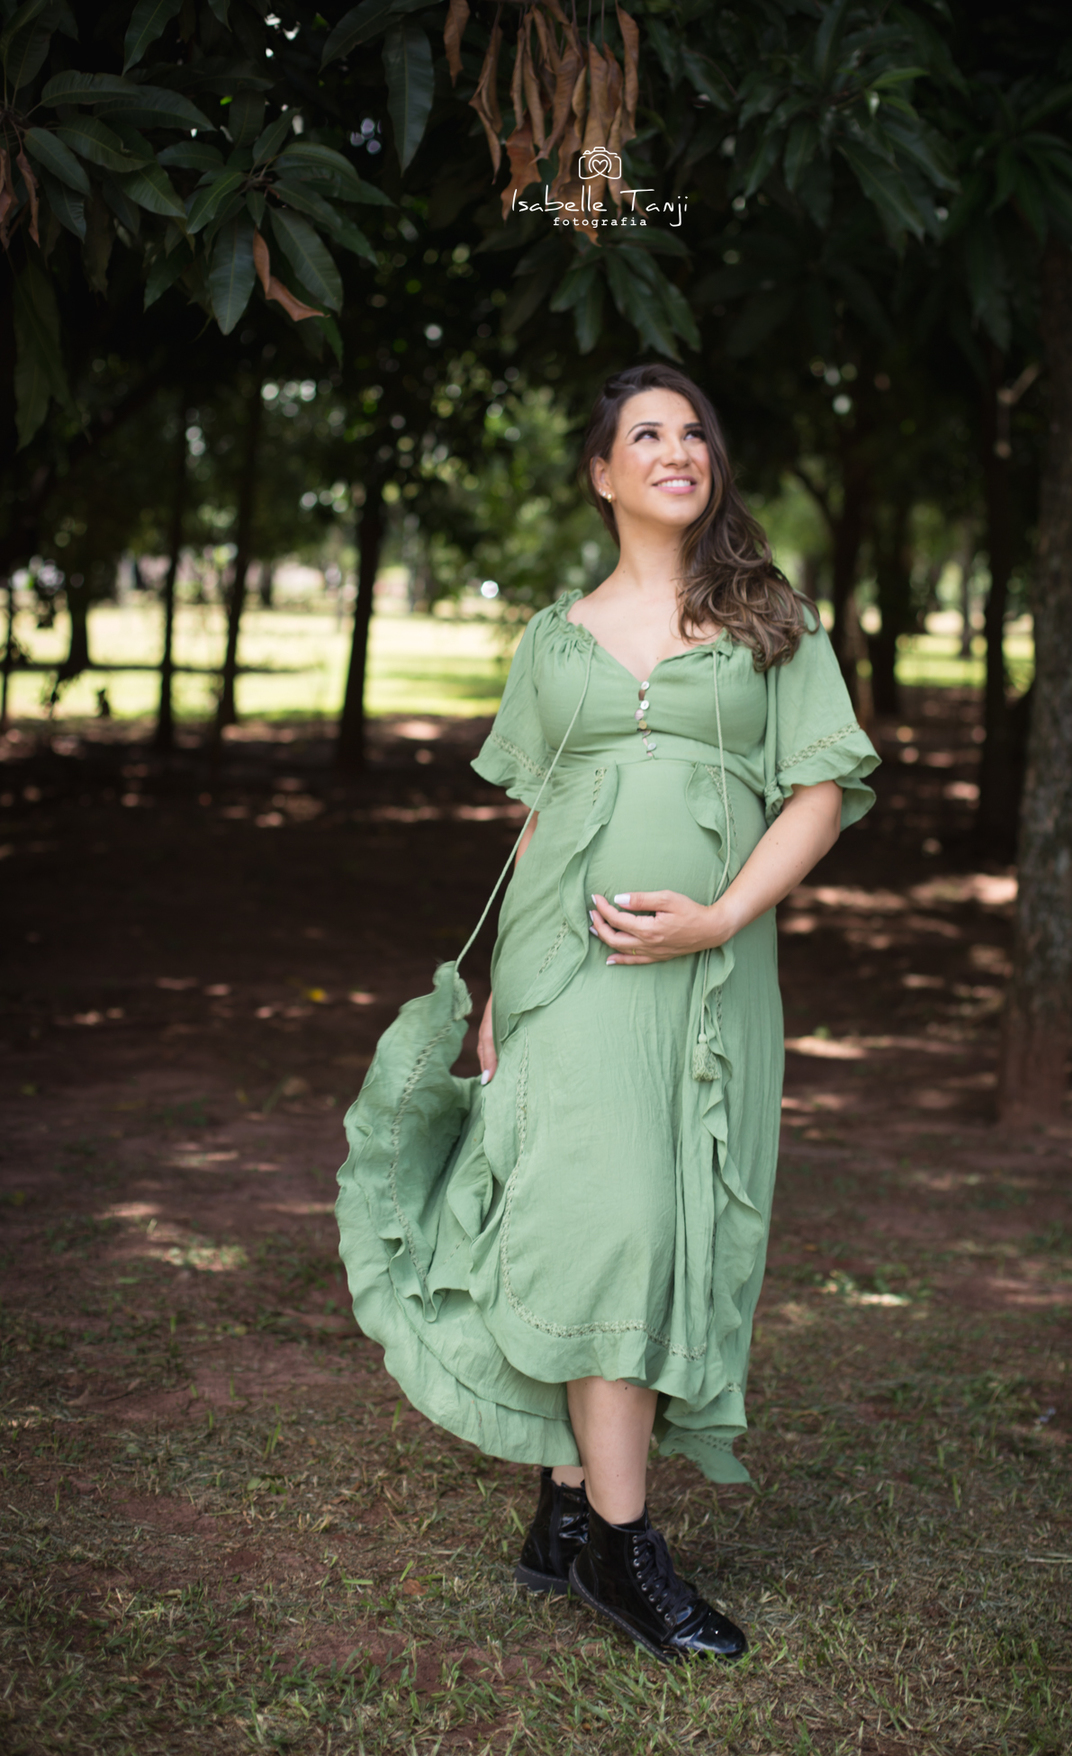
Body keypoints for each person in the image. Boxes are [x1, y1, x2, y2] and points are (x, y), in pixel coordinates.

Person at [337, 364, 878, 1664]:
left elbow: (818, 792)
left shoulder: (770, 620)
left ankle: (566, 1511)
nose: (678, 450)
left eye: (695, 432)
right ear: (602, 472)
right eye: (647, 434)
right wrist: (498, 997)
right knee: (606, 1220)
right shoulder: (552, 639)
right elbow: (536, 821)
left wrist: (719, 917)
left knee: (664, 1218)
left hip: (707, 974)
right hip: (563, 972)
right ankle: (626, 1555)